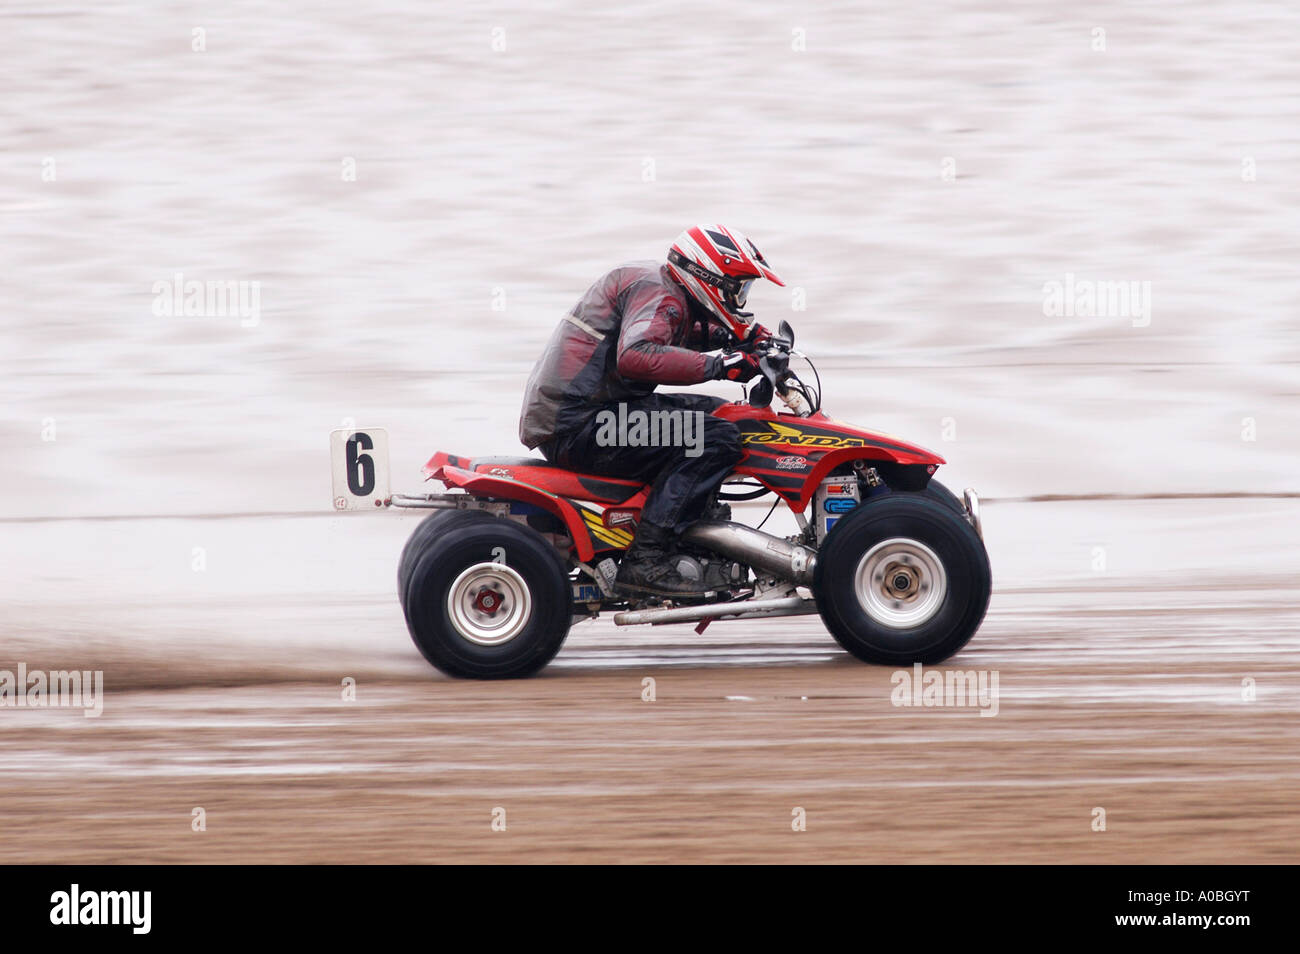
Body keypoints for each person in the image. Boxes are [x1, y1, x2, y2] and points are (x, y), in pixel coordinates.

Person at [518, 224, 784, 595]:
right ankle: (647, 558)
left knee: (727, 415)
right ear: (708, 276)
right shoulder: (663, 294)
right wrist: (721, 365)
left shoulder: (662, 288)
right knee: (716, 438)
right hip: (582, 426)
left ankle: (695, 526)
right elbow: (637, 356)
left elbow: (677, 332)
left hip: (595, 413)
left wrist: (744, 338)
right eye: (737, 289)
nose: (739, 299)